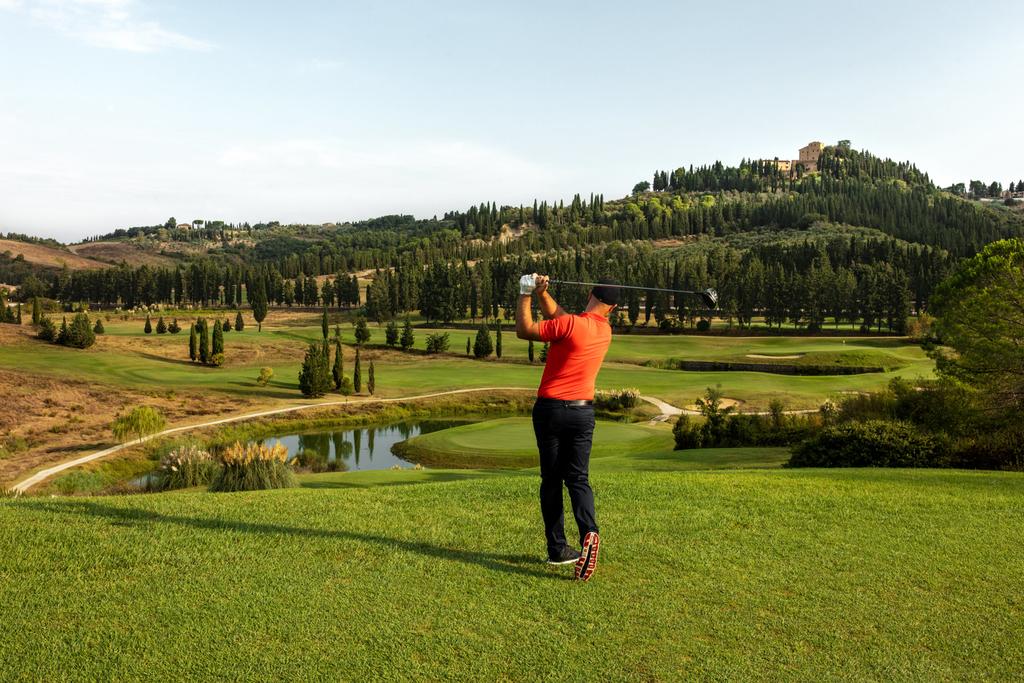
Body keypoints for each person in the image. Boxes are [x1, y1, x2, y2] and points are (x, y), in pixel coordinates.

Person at [515, 273, 619, 582]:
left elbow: (525, 330)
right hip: (583, 414)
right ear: (611, 308)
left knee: (551, 480)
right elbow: (562, 319)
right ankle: (590, 532)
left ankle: (558, 549)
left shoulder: (572, 324)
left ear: (589, 293)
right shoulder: (603, 330)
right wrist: (543, 293)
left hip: (550, 411)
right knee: (578, 478)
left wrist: (525, 293)